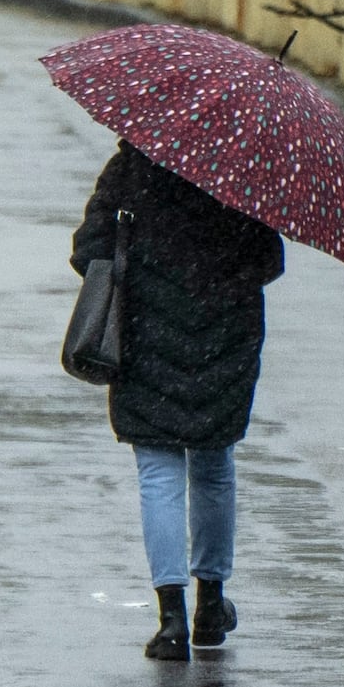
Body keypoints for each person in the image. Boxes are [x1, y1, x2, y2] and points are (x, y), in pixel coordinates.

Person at [72, 143, 286, 660]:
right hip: (225, 335)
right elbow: (267, 261)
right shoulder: (243, 170)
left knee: (158, 472)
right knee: (213, 466)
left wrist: (144, 263)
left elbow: (88, 249)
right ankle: (210, 603)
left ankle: (171, 621)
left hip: (145, 332)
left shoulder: (133, 165)